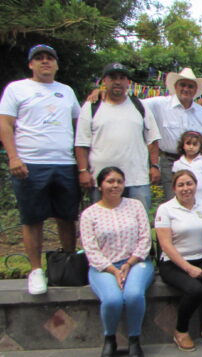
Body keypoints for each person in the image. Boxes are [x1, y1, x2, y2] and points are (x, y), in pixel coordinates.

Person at [0, 44, 81, 295]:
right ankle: (35, 270)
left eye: (49, 58)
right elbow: (5, 123)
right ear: (31, 64)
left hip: (66, 162)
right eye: (39, 58)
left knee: (67, 217)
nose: (45, 62)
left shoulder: (66, 91)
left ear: (56, 64)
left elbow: (79, 125)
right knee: (32, 218)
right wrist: (14, 157)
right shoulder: (17, 89)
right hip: (30, 163)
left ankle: (67, 264)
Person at [80, 167, 154, 357]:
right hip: (103, 267)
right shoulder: (89, 214)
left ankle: (134, 339)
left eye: (119, 181)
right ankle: (110, 338)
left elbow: (145, 239)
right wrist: (114, 270)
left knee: (134, 295)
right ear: (100, 185)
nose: (115, 185)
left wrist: (129, 264)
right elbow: (90, 249)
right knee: (112, 300)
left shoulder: (135, 206)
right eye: (110, 181)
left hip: (136, 263)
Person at [155, 170, 202, 352]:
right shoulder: (166, 209)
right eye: (181, 185)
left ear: (196, 185)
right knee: (195, 289)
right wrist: (188, 268)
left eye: (189, 184)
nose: (186, 189)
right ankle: (181, 330)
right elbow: (166, 245)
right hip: (173, 263)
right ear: (174, 188)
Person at [75, 63, 161, 211]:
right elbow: (82, 143)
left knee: (139, 224)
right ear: (104, 81)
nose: (118, 82)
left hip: (137, 178)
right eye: (113, 77)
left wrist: (154, 166)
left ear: (128, 83)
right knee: (102, 225)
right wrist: (83, 171)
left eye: (122, 78)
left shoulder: (140, 106)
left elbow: (152, 139)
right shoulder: (91, 107)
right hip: (102, 180)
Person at [145, 68, 202, 199]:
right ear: (176, 86)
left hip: (196, 160)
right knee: (174, 200)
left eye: (190, 86)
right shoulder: (159, 104)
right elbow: (136, 105)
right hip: (170, 161)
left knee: (198, 197)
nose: (186, 89)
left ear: (195, 90)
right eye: (183, 85)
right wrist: (101, 93)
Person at [173, 131, 202, 206]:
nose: (191, 147)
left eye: (195, 144)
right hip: (186, 200)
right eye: (188, 143)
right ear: (183, 145)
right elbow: (176, 183)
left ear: (200, 146)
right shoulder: (178, 164)